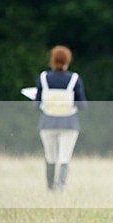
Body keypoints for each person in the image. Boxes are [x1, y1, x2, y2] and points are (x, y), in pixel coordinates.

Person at [34, 45, 87, 191]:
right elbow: (82, 105)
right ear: (68, 61)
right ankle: (60, 186)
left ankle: (50, 187)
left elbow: (36, 105)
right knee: (64, 157)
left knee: (50, 157)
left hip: (47, 123)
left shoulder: (43, 78)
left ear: (52, 60)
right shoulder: (74, 79)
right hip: (69, 124)